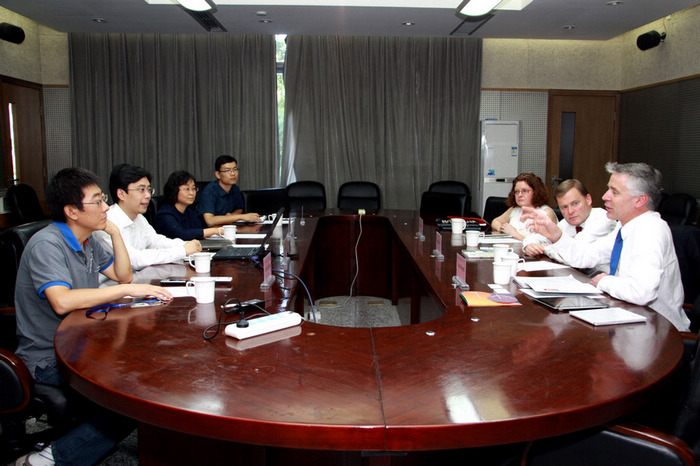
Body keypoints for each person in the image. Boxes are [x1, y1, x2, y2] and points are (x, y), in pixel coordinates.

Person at [13, 168, 173, 466]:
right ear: (72, 211)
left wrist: (113, 232)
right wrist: (124, 290)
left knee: (146, 374)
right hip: (48, 356)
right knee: (133, 400)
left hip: (83, 343)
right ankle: (51, 459)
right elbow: (61, 302)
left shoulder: (88, 240)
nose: (106, 207)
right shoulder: (47, 244)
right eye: (97, 201)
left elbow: (123, 275)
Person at [522, 162, 690, 332]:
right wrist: (556, 235)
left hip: (659, 332)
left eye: (614, 192)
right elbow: (588, 255)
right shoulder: (625, 227)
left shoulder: (650, 230)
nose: (605, 196)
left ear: (639, 200)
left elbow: (641, 292)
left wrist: (603, 281)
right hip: (629, 320)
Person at [93, 163, 201, 271]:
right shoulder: (106, 222)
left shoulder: (139, 218)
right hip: (114, 281)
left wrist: (187, 244)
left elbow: (157, 242)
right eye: (141, 190)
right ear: (121, 194)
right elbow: (134, 260)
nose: (148, 195)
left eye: (149, 190)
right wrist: (182, 250)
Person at [523, 179, 617, 262]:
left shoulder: (603, 219)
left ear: (588, 199)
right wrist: (529, 245)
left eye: (575, 203)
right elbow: (537, 238)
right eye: (564, 207)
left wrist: (546, 248)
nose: (570, 211)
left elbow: (574, 252)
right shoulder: (566, 223)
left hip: (598, 274)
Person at [153, 170, 221, 240]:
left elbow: (201, 228)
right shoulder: (164, 215)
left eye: (193, 189)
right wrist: (214, 231)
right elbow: (181, 234)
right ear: (174, 190)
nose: (192, 193)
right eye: (187, 189)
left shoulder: (189, 212)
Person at [197, 155, 262, 227]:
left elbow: (239, 209)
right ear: (218, 174)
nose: (233, 173)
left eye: (235, 169)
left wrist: (232, 216)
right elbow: (210, 221)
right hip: (208, 231)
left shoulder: (235, 188)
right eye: (227, 170)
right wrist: (240, 217)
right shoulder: (209, 191)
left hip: (226, 227)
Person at [490, 172, 558, 242]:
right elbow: (495, 222)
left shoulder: (545, 213)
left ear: (536, 192)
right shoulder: (515, 209)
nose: (519, 195)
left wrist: (514, 234)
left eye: (525, 191)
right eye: (517, 191)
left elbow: (543, 244)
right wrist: (502, 229)